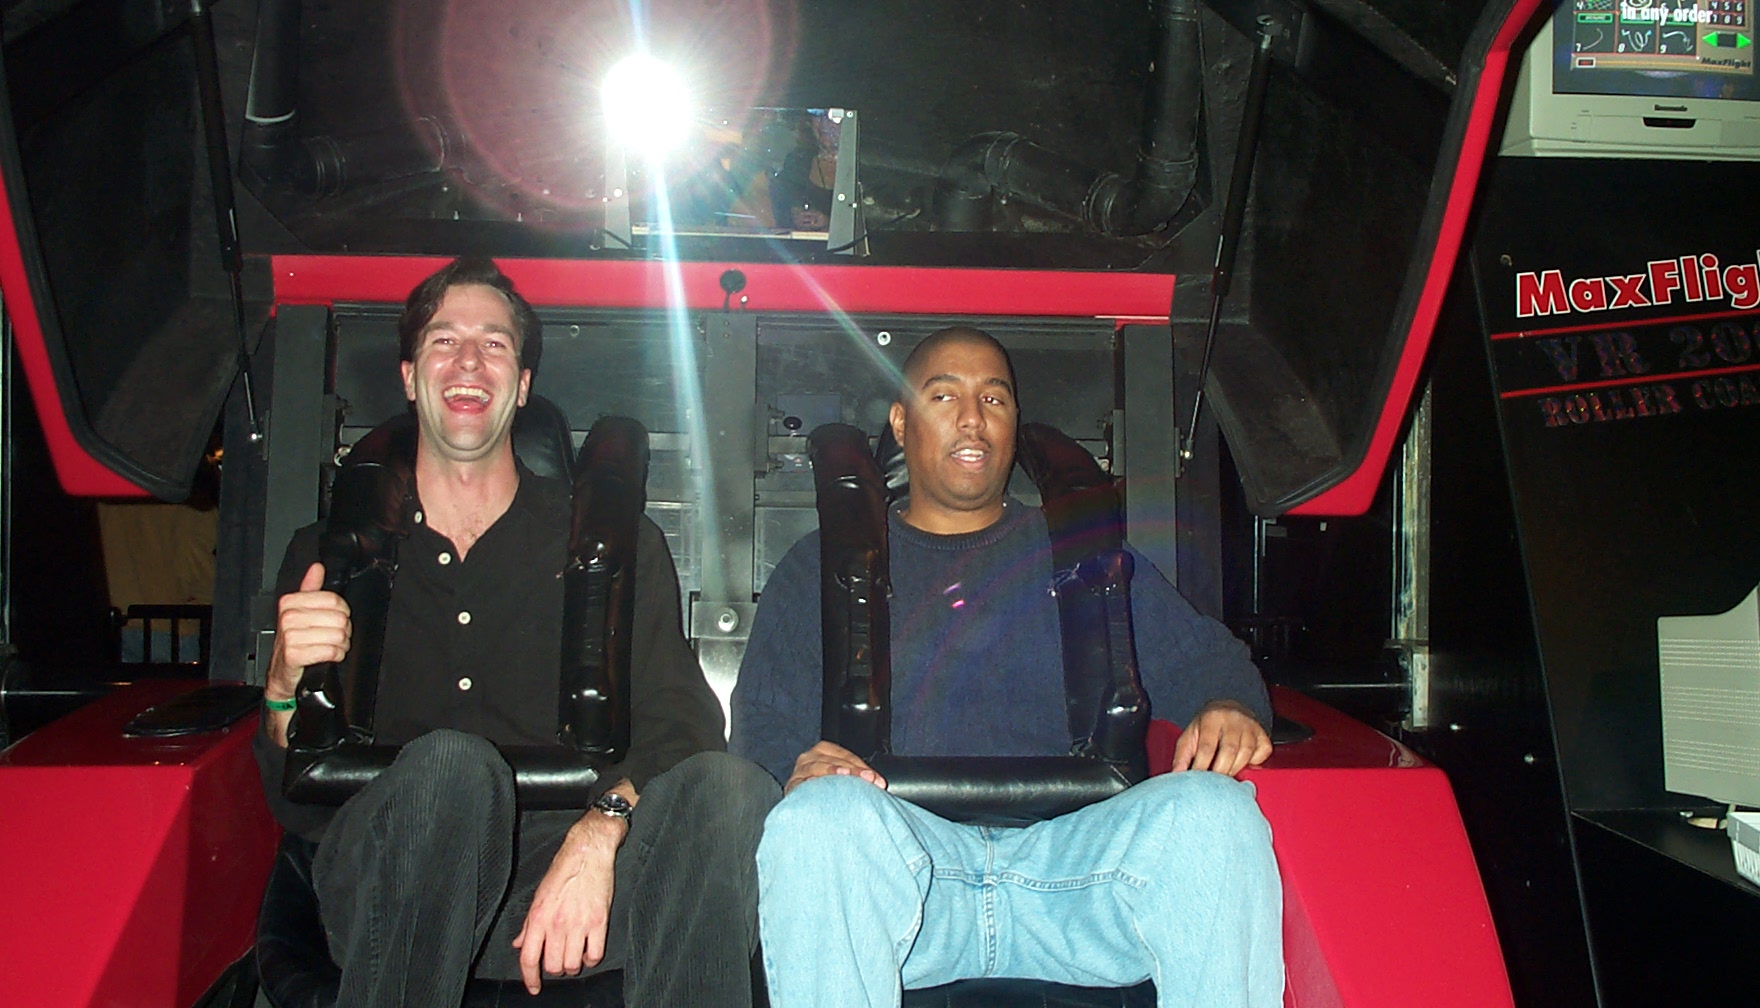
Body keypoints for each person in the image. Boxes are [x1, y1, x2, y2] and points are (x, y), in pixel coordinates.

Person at [254, 257, 778, 1008]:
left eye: (494, 344)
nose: (469, 360)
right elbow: (295, 802)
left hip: (574, 876)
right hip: (390, 876)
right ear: (409, 378)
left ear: (523, 386)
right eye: (445, 340)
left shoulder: (616, 547)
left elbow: (684, 728)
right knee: (452, 769)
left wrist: (601, 830)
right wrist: (281, 690)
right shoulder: (330, 554)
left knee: (731, 789)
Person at [729, 326, 1283, 1008]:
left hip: (1074, 877)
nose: (972, 418)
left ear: (1014, 425)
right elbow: (761, 730)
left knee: (1216, 814)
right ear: (900, 422)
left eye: (993, 399)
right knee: (817, 819)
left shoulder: (1084, 560)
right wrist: (798, 771)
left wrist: (1229, 704)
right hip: (909, 882)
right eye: (944, 396)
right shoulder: (820, 568)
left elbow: (1211, 662)